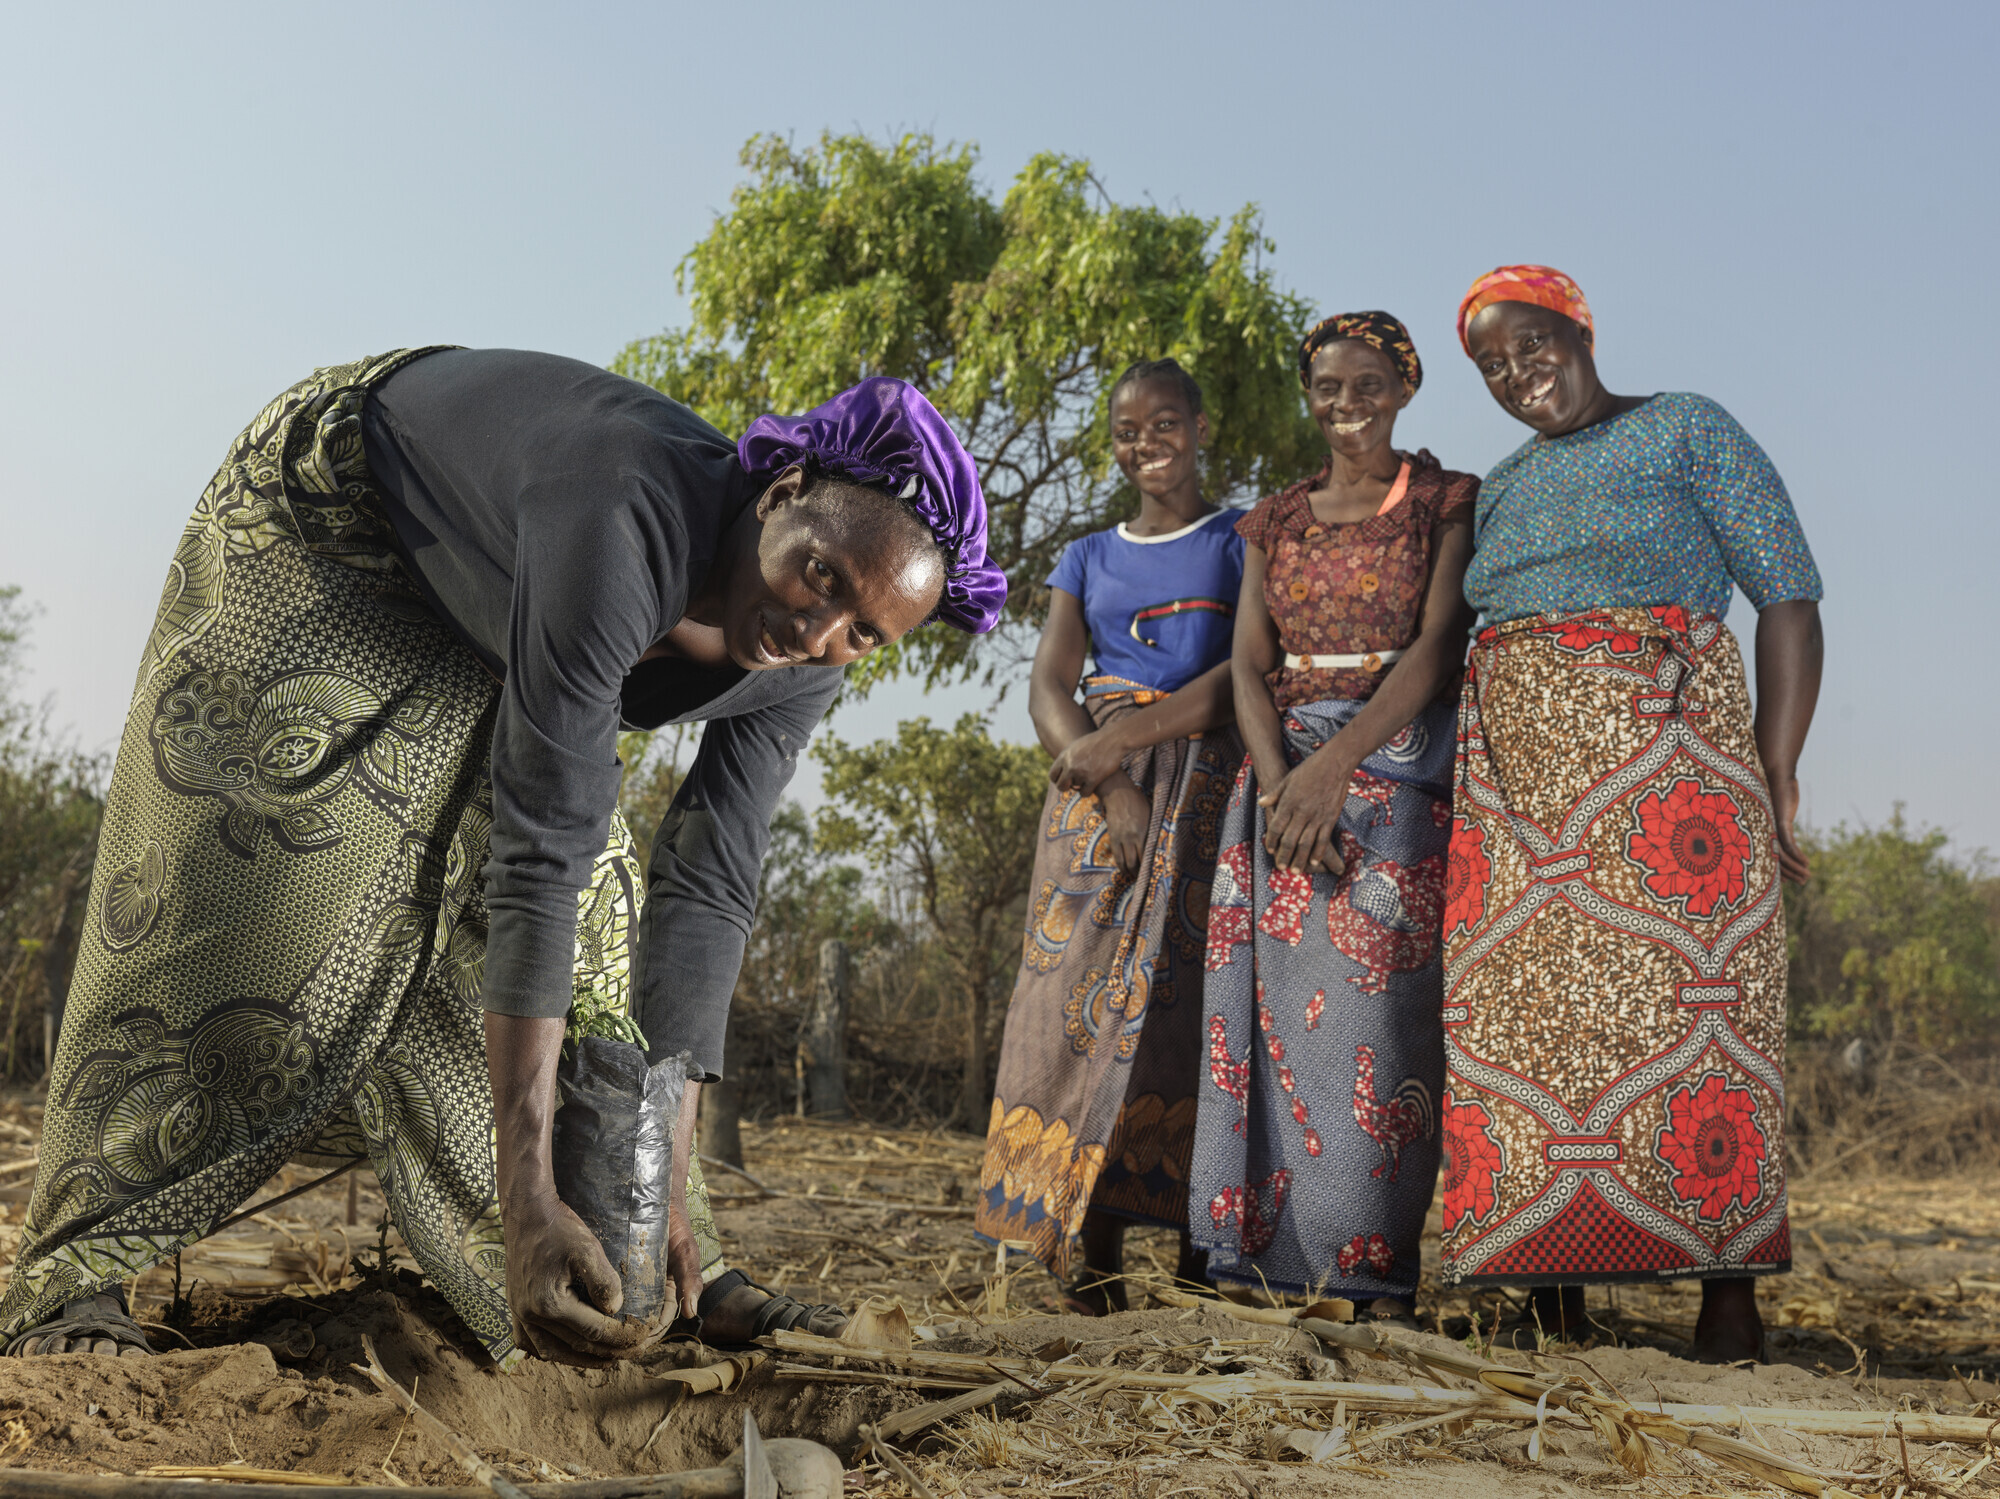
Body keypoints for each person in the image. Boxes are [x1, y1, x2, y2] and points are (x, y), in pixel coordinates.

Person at [0, 349, 1005, 1365]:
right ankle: (75, 1270)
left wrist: (665, 1170)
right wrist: (528, 1199)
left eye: (862, 633)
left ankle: (662, 1267)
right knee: (270, 871)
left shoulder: (810, 655)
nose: (816, 627)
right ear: (780, 496)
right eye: (818, 573)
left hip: (487, 626)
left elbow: (709, 881)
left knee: (602, 916)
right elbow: (542, 843)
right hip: (331, 535)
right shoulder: (626, 510)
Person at [1442, 266, 1823, 1361]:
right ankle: (1545, 1290)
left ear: (1578, 328)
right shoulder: (1502, 483)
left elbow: (1786, 590)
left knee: (1704, 1020)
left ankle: (1727, 1297)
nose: (1517, 374)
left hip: (1670, 777)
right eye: (1491, 365)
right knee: (1524, 1024)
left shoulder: (1685, 427)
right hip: (1518, 799)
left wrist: (1773, 768)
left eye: (1529, 344)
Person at [1190, 314, 1477, 1326]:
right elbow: (1244, 663)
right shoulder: (1268, 521)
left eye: (1366, 385)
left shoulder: (1443, 501)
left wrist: (1334, 771)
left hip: (1392, 784)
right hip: (1275, 793)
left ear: (1403, 387)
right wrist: (1278, 784)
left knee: (1376, 1039)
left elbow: (1437, 644)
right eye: (1325, 386)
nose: (1345, 404)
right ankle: (1264, 1270)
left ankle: (1374, 1277)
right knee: (1260, 1027)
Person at [977, 360, 1244, 1312]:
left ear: (1202, 426)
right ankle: (1083, 1242)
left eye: (1165, 422)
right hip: (1093, 799)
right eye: (1128, 431)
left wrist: (1132, 741)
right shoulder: (1086, 556)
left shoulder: (1240, 540)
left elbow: (1239, 675)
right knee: (1075, 1002)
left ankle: (1197, 1256)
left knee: (1193, 1013)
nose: (1147, 443)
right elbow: (1050, 684)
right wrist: (1110, 777)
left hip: (1208, 783)